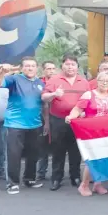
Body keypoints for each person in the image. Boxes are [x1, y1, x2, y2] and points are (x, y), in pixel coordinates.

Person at [0, 57, 46, 194]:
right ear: (22, 68)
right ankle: (12, 183)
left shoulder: (40, 83)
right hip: (15, 124)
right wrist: (1, 71)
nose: (30, 68)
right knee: (14, 154)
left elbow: (44, 103)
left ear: (37, 68)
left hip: (35, 124)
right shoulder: (15, 79)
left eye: (33, 66)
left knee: (33, 154)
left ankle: (29, 179)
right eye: (27, 66)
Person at [42, 55, 90, 191]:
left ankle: (75, 176)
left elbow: (88, 100)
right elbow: (44, 97)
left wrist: (83, 112)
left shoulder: (83, 81)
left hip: (77, 121)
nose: (70, 67)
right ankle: (57, 178)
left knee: (76, 150)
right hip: (58, 119)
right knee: (58, 150)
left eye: (73, 64)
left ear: (77, 67)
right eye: (67, 64)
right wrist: (54, 94)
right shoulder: (54, 80)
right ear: (62, 66)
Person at [65, 72, 108, 196]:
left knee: (103, 158)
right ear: (96, 82)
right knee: (92, 159)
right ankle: (84, 185)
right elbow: (78, 108)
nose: (104, 83)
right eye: (101, 80)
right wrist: (71, 116)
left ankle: (98, 184)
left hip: (106, 132)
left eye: (107, 81)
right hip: (91, 132)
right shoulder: (89, 95)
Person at [37, 61, 55, 181]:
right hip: (41, 119)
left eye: (53, 68)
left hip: (56, 118)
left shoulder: (58, 83)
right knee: (42, 147)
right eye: (48, 69)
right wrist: (46, 121)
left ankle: (56, 173)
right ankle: (41, 173)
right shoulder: (39, 83)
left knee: (56, 147)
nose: (51, 71)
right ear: (43, 70)